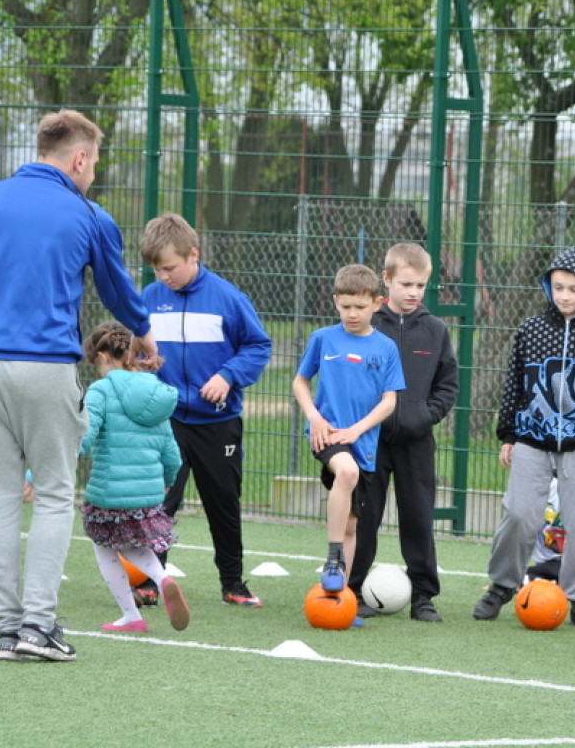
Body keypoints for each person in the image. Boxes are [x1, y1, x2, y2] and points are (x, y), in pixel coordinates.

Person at [0, 109, 158, 662]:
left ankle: (9, 632)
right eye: (94, 163)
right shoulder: (87, 214)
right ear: (78, 157)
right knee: (56, 494)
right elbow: (118, 291)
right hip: (44, 366)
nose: (93, 174)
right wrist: (144, 336)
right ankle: (39, 625)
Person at [472, 244, 575, 630]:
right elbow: (514, 385)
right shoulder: (531, 330)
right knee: (520, 515)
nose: (564, 296)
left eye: (573, 289)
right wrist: (507, 434)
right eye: (558, 287)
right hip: (530, 440)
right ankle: (502, 584)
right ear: (548, 288)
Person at [140, 212, 271, 608]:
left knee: (223, 504)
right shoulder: (148, 299)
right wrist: (142, 362)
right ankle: (149, 581)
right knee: (161, 503)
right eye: (156, 270)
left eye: (169, 268)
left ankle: (233, 583)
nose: (163, 276)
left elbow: (258, 346)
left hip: (218, 424)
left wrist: (228, 376)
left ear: (192, 254)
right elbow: (136, 346)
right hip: (167, 421)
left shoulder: (229, 298)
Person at [347, 243, 458, 623]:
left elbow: (448, 385)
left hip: (416, 442)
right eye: (406, 283)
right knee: (363, 517)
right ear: (386, 280)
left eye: (421, 285)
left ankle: (423, 596)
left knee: (418, 518)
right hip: (369, 442)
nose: (413, 292)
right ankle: (353, 589)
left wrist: (425, 416)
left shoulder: (435, 330)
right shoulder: (366, 325)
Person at [292, 264, 405, 605]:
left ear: (377, 303)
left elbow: (389, 401)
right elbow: (300, 381)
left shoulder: (386, 348)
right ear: (335, 302)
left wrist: (357, 430)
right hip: (327, 437)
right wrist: (314, 417)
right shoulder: (323, 338)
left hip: (363, 442)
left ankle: (341, 596)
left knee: (353, 526)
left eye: (360, 306)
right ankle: (332, 557)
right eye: (345, 306)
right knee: (347, 471)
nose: (352, 313)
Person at [79, 322, 189, 634]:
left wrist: (41, 468)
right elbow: (172, 451)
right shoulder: (156, 392)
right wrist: (167, 479)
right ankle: (162, 577)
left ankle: (131, 615)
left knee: (104, 547)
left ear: (102, 355)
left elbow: (85, 435)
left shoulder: (101, 390)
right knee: (132, 545)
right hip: (150, 492)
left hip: (108, 490)